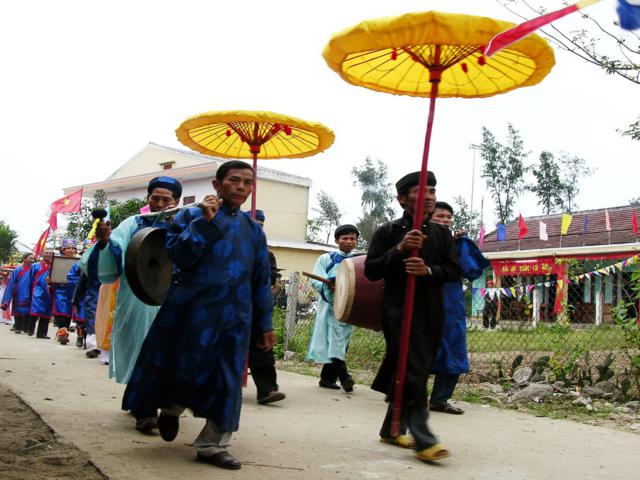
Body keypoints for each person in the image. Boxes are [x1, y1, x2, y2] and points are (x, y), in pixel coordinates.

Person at [122, 160, 274, 471]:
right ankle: (172, 409)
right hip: (191, 311)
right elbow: (178, 256)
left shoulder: (254, 232)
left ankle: (212, 445)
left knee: (228, 378)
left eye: (248, 182)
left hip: (236, 319)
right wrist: (205, 223)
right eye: (234, 180)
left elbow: (260, 281)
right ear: (217, 186)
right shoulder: (189, 216)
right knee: (184, 368)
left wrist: (265, 323)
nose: (242, 187)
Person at [364, 171, 460, 463]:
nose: (429, 196)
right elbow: (371, 270)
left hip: (431, 312)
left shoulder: (443, 235)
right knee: (412, 369)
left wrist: (428, 271)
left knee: (409, 369)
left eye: (432, 190)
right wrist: (399, 250)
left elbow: (455, 271)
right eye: (421, 191)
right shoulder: (388, 232)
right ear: (402, 199)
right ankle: (424, 438)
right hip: (398, 311)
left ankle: (391, 430)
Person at [79, 176, 182, 433]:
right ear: (148, 199)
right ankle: (145, 411)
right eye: (154, 198)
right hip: (138, 298)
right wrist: (105, 243)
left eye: (165, 199)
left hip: (173, 299)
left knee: (171, 354)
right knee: (140, 350)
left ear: (176, 201)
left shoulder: (184, 224)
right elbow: (116, 250)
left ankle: (157, 404)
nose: (159, 203)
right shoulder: (133, 223)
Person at [429, 201, 490, 415]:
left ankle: (439, 399)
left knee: (453, 350)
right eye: (440, 216)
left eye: (448, 216)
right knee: (417, 349)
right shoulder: (419, 238)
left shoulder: (456, 242)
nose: (445, 220)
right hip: (426, 300)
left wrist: (463, 244)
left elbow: (472, 271)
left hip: (451, 302)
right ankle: (400, 394)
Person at [307, 224, 359, 392]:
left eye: (352, 238)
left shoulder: (358, 261)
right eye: (345, 238)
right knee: (335, 340)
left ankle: (327, 378)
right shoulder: (325, 258)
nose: (349, 241)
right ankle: (345, 378)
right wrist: (329, 285)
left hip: (349, 307)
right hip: (330, 305)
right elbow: (315, 280)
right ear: (337, 240)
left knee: (340, 341)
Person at [248, 209, 285, 405]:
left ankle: (267, 390)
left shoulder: (266, 255)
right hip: (228, 307)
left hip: (254, 307)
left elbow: (269, 279)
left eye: (260, 226)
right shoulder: (232, 246)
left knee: (262, 347)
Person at [51, 239, 78, 344]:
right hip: (61, 290)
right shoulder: (57, 261)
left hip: (73, 291)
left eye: (72, 248)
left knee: (69, 314)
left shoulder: (80, 262)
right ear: (63, 249)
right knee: (61, 312)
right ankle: (62, 334)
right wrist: (49, 280)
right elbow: (51, 275)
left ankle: (64, 332)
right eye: (68, 248)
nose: (70, 250)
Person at [1, 253, 35, 333]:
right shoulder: (18, 270)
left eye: (33, 259)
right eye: (30, 258)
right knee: (18, 310)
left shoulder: (34, 269)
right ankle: (18, 327)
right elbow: (11, 283)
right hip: (19, 292)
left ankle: (26, 328)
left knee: (28, 310)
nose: (32, 260)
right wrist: (7, 298)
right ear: (24, 259)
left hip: (31, 292)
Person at [28, 250, 54, 339]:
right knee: (35, 310)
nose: (48, 255)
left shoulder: (55, 266)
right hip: (37, 290)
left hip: (49, 291)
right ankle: (30, 329)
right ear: (42, 254)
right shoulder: (35, 266)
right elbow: (30, 279)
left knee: (46, 312)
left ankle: (42, 333)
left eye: (50, 253)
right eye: (46, 253)